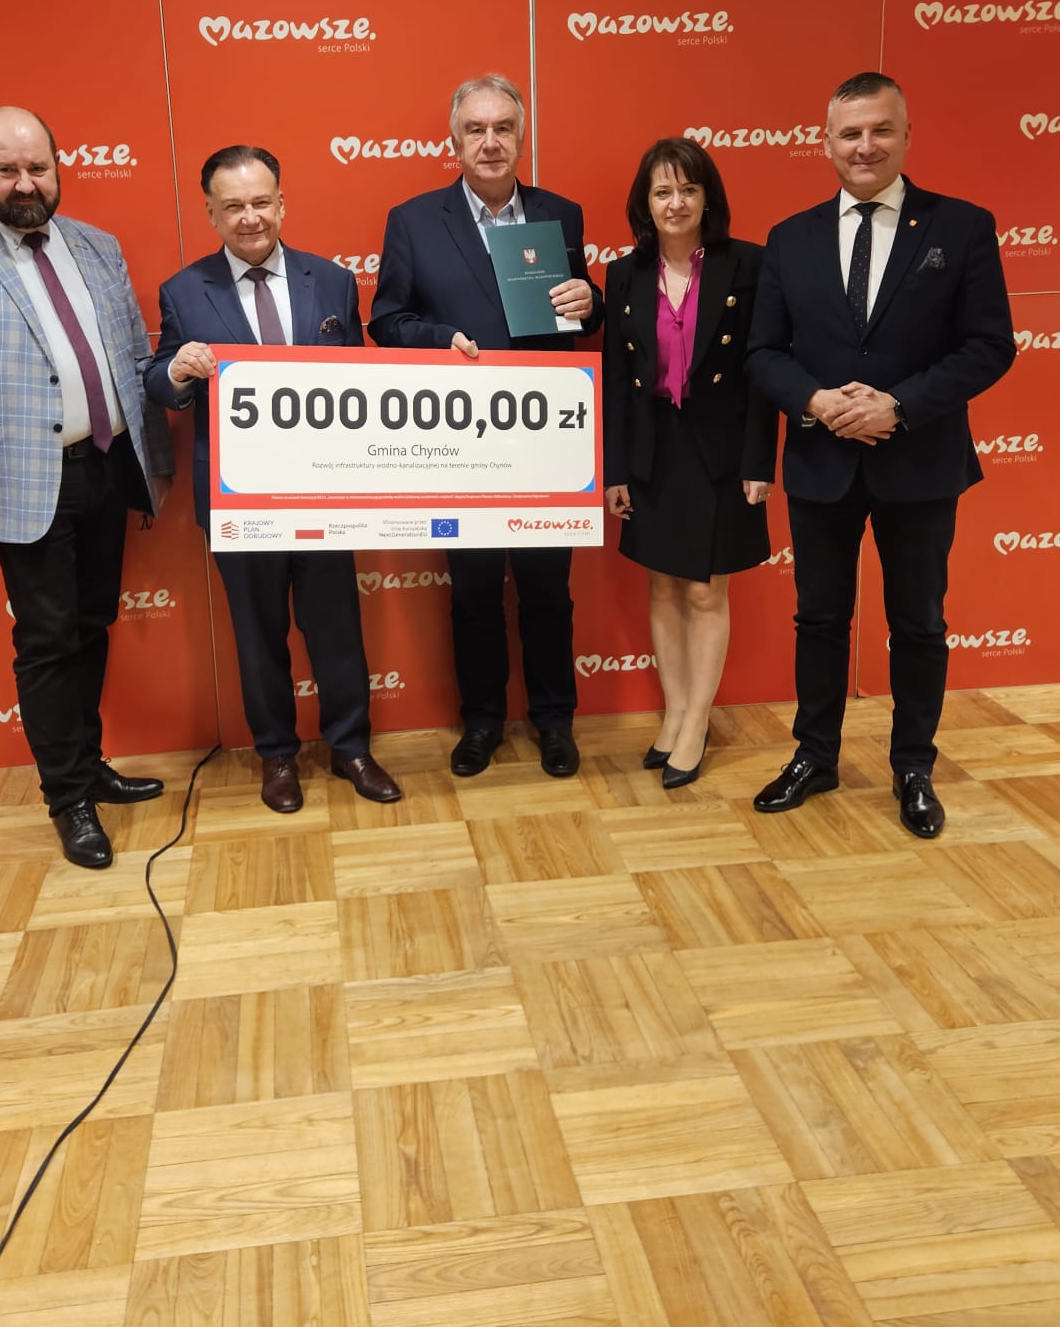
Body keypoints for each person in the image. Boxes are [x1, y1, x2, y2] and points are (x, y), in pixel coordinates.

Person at [0, 105, 173, 871]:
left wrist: (152, 466)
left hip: (106, 468)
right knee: (47, 642)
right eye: (7, 169)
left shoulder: (96, 245)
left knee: (92, 623)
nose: (25, 183)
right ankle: (67, 797)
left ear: (58, 165)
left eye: (38, 168)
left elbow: (131, 357)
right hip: (24, 487)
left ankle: (90, 765)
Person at [746, 71, 1016, 839]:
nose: (865, 146)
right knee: (819, 619)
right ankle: (815, 756)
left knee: (919, 622)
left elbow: (990, 345)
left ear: (905, 135)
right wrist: (818, 401)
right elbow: (763, 352)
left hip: (920, 463)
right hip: (821, 462)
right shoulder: (790, 238)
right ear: (826, 143)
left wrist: (897, 406)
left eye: (880, 130)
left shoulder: (961, 227)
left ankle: (914, 768)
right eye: (850, 133)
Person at [146, 145, 402, 816]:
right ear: (211, 213)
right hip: (239, 498)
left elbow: (358, 381)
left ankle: (351, 747)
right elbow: (157, 381)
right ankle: (278, 756)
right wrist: (177, 370)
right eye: (233, 206)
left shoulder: (334, 280)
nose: (250, 217)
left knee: (336, 625)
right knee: (257, 634)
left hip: (325, 491)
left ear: (282, 203)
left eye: (261, 202)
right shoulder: (183, 291)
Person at [369, 74, 603, 779]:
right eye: (476, 129)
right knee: (473, 592)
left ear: (521, 136)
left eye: (503, 128)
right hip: (461, 441)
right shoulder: (414, 220)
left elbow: (580, 311)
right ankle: (482, 722)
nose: (491, 142)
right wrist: (437, 338)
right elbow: (386, 320)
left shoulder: (561, 215)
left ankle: (554, 720)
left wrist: (590, 300)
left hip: (543, 440)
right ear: (455, 140)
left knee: (547, 591)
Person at [603, 139, 776, 788]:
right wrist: (615, 470)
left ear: (707, 197)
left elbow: (763, 371)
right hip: (653, 449)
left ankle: (698, 721)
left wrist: (760, 460)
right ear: (645, 203)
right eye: (662, 191)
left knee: (706, 590)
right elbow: (617, 381)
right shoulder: (624, 274)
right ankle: (674, 711)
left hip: (720, 451)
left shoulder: (748, 265)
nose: (675, 203)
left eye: (687, 189)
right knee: (664, 585)